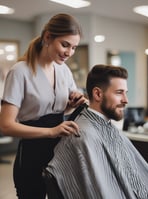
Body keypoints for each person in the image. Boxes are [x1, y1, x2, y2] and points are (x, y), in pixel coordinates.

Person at [0, 13, 87, 199]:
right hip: (32, 155)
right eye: (65, 45)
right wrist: (51, 131)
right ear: (47, 37)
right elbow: (6, 125)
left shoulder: (63, 70)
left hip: (60, 153)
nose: (69, 52)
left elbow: (60, 111)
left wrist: (73, 104)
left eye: (73, 47)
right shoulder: (20, 72)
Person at [45, 64, 148, 199]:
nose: (126, 100)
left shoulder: (106, 127)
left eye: (125, 93)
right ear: (98, 94)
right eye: (119, 93)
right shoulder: (82, 136)